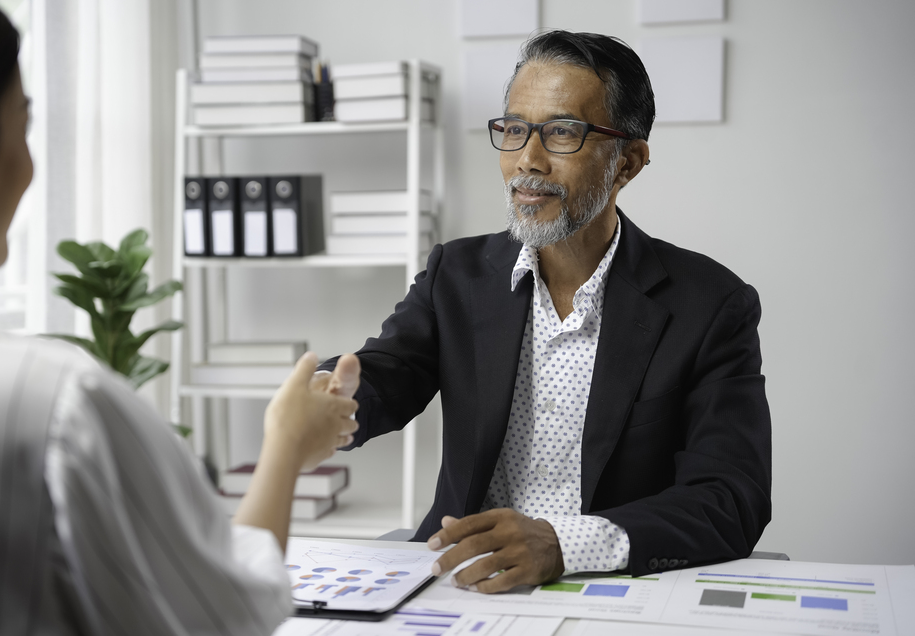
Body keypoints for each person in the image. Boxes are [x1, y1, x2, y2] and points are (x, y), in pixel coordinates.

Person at [0, 0, 360, 634]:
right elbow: (226, 613)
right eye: (23, 122)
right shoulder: (56, 405)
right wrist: (287, 444)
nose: (31, 165)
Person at [320, 30, 772, 591]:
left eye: (561, 132)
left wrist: (565, 545)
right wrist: (329, 402)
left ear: (627, 162)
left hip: (614, 591)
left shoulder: (710, 305)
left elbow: (731, 498)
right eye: (513, 129)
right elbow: (389, 371)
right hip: (461, 582)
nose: (526, 161)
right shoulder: (455, 275)